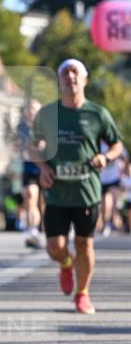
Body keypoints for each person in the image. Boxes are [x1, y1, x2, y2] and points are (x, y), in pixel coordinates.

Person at [32, 58, 124, 314]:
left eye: (75, 73)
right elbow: (32, 145)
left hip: (86, 191)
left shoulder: (97, 114)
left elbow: (116, 145)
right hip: (57, 192)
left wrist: (106, 157)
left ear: (84, 79)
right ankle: (66, 263)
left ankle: (82, 293)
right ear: (59, 81)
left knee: (85, 243)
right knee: (54, 248)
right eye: (65, 73)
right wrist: (43, 167)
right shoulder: (48, 114)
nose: (70, 77)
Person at [15, 99, 44, 248]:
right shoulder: (22, 127)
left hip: (44, 167)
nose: (31, 111)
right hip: (28, 166)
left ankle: (44, 228)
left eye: (34, 108)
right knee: (30, 197)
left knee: (43, 203)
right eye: (29, 108)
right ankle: (33, 230)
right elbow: (17, 145)